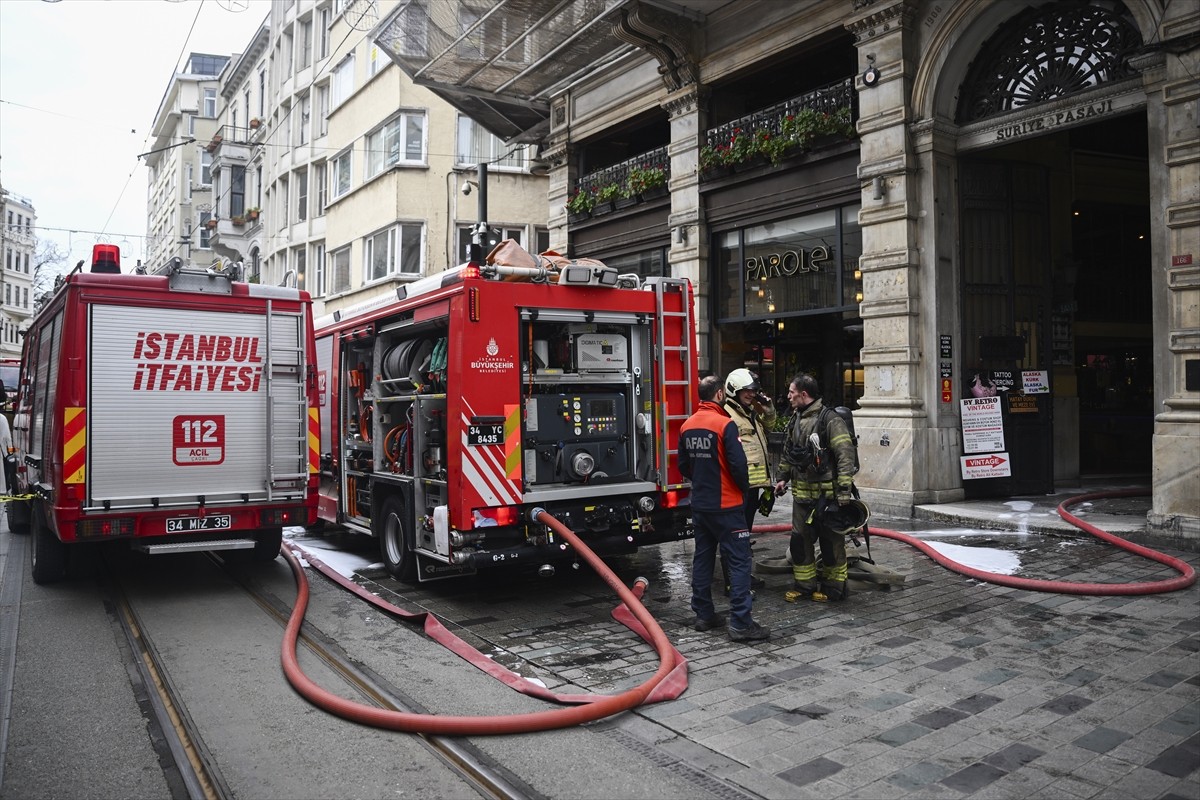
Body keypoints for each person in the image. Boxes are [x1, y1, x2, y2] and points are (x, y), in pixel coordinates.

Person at [678, 375, 770, 641]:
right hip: (727, 505)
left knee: (703, 557)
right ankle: (741, 623)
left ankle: (704, 614)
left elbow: (684, 465)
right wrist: (742, 490)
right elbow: (738, 466)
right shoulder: (725, 425)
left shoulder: (687, 425)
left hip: (700, 505)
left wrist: (703, 479)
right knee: (740, 561)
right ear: (720, 394)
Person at [773, 372, 859, 602]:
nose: (788, 396)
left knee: (831, 544)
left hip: (827, 497)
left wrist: (843, 492)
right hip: (801, 497)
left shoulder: (829, 419)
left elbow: (845, 455)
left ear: (803, 394)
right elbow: (788, 453)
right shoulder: (795, 419)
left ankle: (834, 588)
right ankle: (804, 586)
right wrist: (782, 478)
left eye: (791, 392)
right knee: (799, 543)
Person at [719, 368, 775, 593]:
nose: (751, 395)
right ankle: (733, 583)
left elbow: (768, 428)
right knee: (734, 537)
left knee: (743, 536)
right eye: (747, 391)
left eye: (753, 391)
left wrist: (768, 409)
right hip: (736, 487)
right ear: (733, 390)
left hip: (751, 488)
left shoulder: (747, 412)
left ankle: (741, 578)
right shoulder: (727, 415)